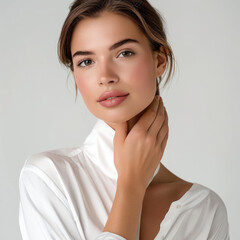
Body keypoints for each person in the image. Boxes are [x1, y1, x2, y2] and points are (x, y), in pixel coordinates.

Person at [19, 0, 230, 239]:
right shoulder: (50, 179)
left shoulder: (204, 210)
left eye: (124, 53)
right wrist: (131, 185)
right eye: (86, 61)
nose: (105, 77)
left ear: (160, 61)